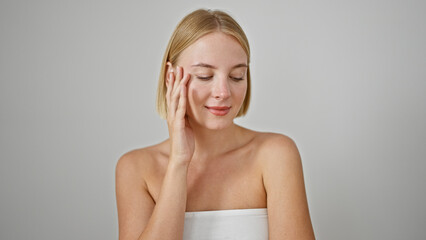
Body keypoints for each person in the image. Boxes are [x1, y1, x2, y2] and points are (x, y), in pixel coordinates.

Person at [115, 8, 315, 240]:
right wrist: (179, 162)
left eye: (237, 76)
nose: (223, 92)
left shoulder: (276, 155)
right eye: (204, 76)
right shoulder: (135, 168)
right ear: (171, 77)